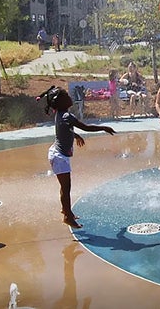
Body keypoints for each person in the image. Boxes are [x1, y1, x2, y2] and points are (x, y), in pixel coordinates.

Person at [36, 85, 116, 229]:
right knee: (66, 189)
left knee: (64, 188)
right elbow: (86, 127)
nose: (69, 97)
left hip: (57, 154)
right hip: (59, 157)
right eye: (66, 96)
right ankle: (67, 216)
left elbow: (64, 130)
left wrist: (75, 135)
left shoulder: (61, 114)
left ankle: (66, 210)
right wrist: (104, 128)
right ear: (60, 102)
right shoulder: (67, 116)